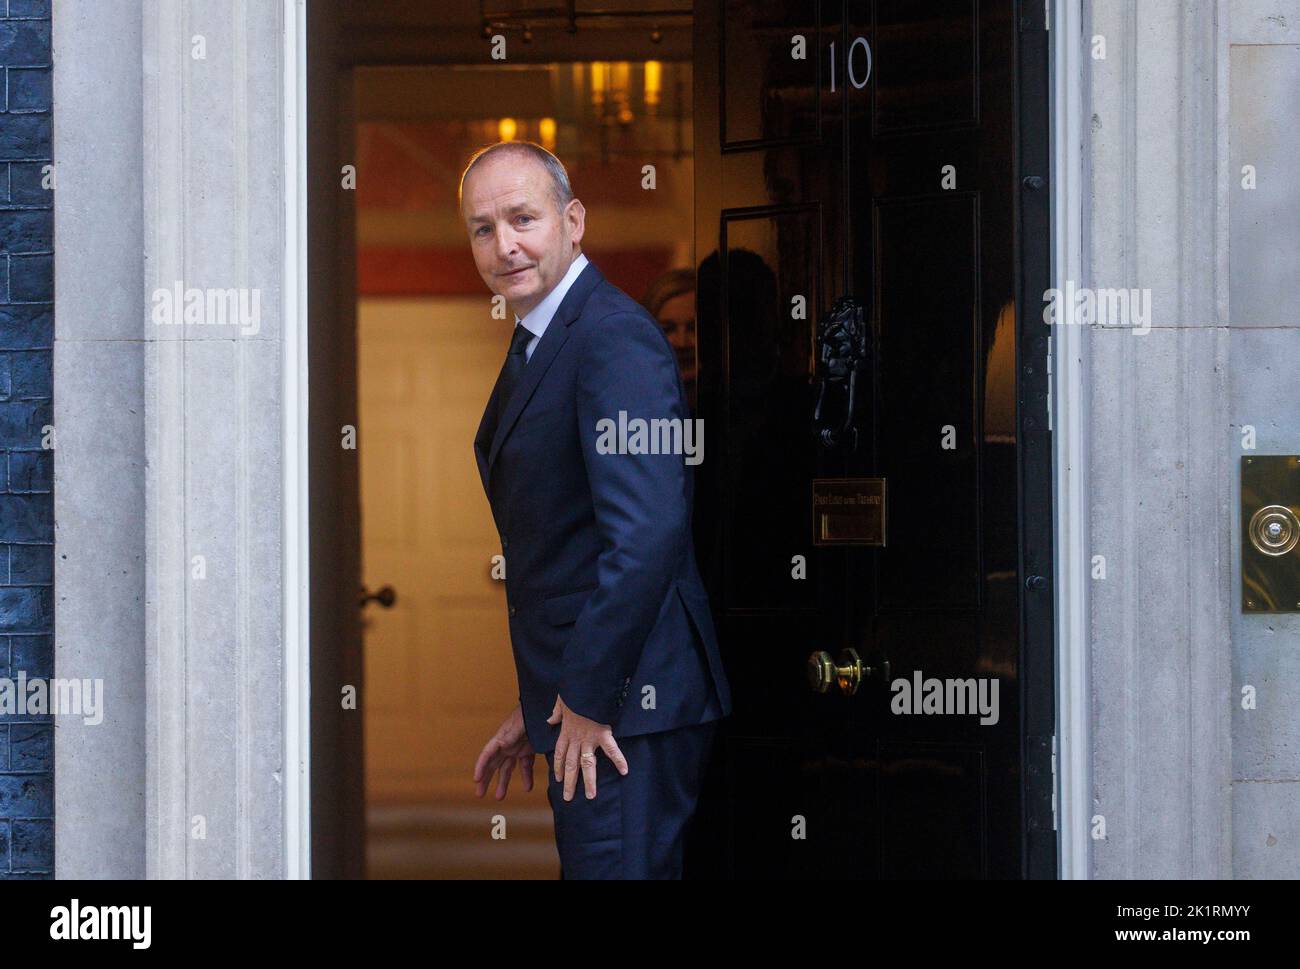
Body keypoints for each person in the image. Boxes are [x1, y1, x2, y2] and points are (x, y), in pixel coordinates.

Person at [462, 141, 731, 879]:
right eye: (483, 228)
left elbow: (647, 534)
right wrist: (548, 698)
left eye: (523, 217)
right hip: (599, 707)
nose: (504, 244)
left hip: (626, 714)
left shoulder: (612, 337)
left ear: (573, 220)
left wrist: (586, 693)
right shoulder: (546, 337)